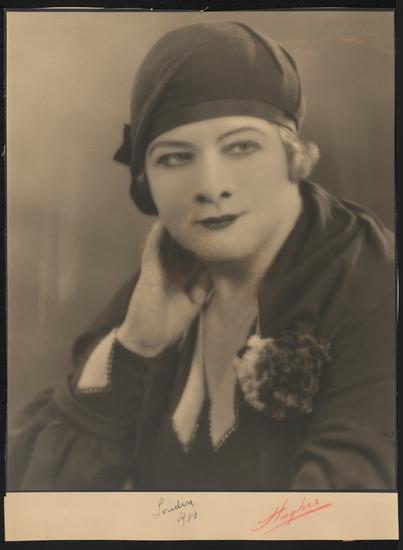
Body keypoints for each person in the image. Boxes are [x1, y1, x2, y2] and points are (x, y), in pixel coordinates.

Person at [8, 21, 395, 491]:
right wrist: (136, 345)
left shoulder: (375, 283)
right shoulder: (162, 283)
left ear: (291, 156)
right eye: (175, 157)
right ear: (146, 182)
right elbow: (40, 500)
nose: (211, 187)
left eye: (242, 147)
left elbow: (348, 507)